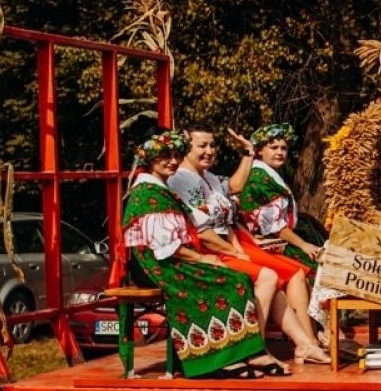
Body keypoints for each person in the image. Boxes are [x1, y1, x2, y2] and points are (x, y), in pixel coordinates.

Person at [120, 130, 283, 378]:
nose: (173, 161)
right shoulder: (147, 193)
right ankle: (214, 360)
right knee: (231, 280)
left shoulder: (161, 189)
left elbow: (196, 220)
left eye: (176, 155)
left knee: (235, 277)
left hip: (170, 259)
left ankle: (234, 354)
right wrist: (204, 258)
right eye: (165, 156)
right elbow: (167, 247)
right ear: (151, 161)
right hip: (158, 266)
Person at [168, 127, 329, 365]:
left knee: (292, 272)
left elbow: (233, 189)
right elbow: (202, 230)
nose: (209, 151)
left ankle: (306, 343)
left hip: (229, 240)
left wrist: (247, 153)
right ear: (186, 148)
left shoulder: (208, 177)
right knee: (271, 277)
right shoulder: (181, 179)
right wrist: (236, 251)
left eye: (212, 146)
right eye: (202, 146)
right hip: (209, 247)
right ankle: (258, 349)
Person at [235, 123, 324, 273]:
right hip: (268, 242)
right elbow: (274, 226)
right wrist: (303, 245)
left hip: (282, 239)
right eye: (274, 148)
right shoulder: (259, 177)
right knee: (314, 272)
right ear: (260, 151)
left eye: (284, 148)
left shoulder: (271, 174)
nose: (280, 152)